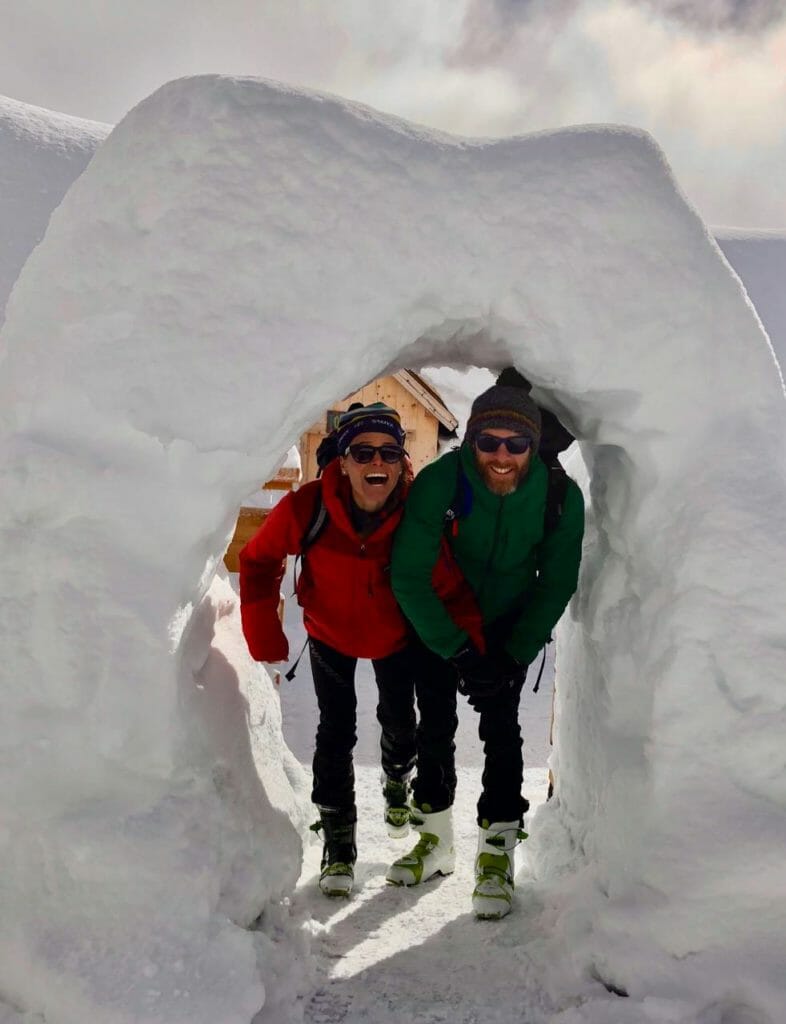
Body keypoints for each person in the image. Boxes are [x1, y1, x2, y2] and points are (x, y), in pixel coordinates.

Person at [388, 368, 585, 919]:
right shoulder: (440, 482)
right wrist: (456, 649)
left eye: (516, 443)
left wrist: (511, 654)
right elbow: (408, 574)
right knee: (435, 724)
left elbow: (558, 581)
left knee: (502, 729)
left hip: (506, 625)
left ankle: (496, 846)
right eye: (488, 441)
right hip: (441, 617)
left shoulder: (560, 497)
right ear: (471, 440)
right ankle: (435, 838)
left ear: (533, 443)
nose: (502, 455)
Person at [238, 402, 417, 898]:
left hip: (397, 634)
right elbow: (258, 559)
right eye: (362, 452)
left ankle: (398, 777)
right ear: (342, 460)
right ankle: (339, 845)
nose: (375, 462)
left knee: (401, 718)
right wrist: (263, 632)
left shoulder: (418, 506)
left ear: (403, 461)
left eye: (388, 451)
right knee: (336, 730)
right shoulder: (310, 505)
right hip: (330, 632)